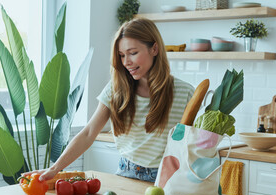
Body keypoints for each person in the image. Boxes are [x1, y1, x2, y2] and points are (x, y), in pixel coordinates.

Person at [27, 18, 194, 182]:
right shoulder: (116, 90)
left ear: (154, 49)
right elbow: (88, 132)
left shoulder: (185, 93)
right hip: (126, 174)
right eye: (121, 55)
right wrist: (55, 169)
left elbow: (192, 146)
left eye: (133, 53)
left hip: (168, 179)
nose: (126, 62)